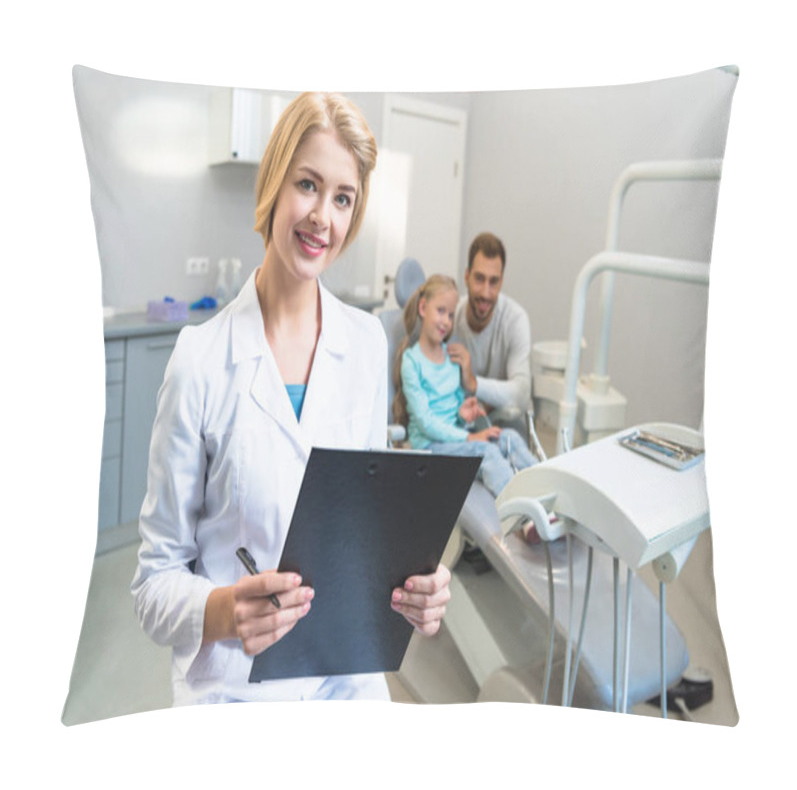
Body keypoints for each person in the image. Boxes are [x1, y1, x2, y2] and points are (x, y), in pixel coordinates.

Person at [131, 92, 451, 705]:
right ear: (275, 183)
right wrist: (225, 610)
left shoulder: (363, 343)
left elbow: (368, 532)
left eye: (342, 198)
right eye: (307, 184)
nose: (321, 218)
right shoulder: (201, 360)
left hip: (344, 677)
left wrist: (417, 586)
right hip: (234, 691)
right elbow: (153, 586)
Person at [392, 274, 537, 499]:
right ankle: (522, 512)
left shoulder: (451, 356)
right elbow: (427, 422)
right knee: (485, 450)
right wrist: (470, 438)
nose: (446, 321)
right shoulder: (412, 362)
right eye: (440, 311)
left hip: (455, 440)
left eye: (450, 315)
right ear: (423, 307)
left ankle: (548, 491)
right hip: (430, 448)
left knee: (509, 437)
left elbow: (454, 411)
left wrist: (462, 413)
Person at [448, 232, 532, 436]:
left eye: (493, 281)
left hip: (506, 421)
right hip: (461, 424)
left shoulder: (515, 320)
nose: (486, 292)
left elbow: (521, 393)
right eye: (479, 279)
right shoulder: (449, 322)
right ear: (466, 276)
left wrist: (474, 383)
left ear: (501, 282)